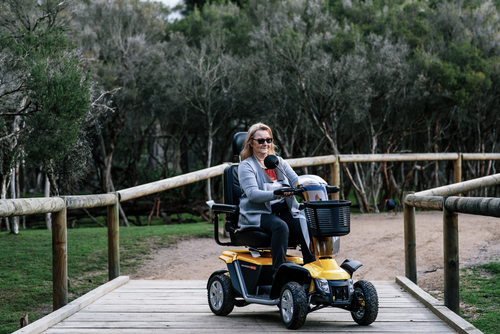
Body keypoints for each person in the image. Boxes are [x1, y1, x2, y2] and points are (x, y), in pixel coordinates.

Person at [238, 123, 315, 277]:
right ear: (251, 143)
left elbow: (296, 181)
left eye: (268, 140)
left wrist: (312, 187)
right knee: (280, 227)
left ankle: (311, 270)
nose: (265, 144)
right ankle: (279, 274)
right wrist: (278, 194)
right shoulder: (246, 166)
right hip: (258, 213)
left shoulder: (278, 162)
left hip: (283, 210)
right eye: (260, 140)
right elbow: (253, 194)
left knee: (305, 224)